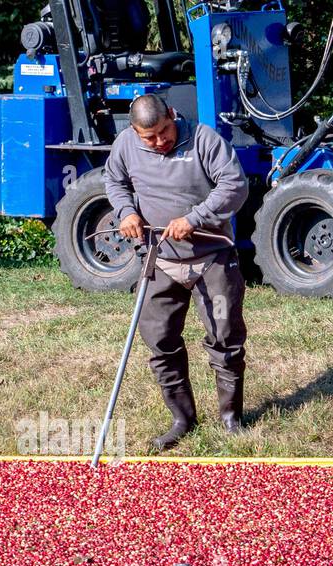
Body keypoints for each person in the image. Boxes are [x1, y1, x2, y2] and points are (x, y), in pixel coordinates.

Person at [102, 93, 250, 450]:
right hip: (159, 259)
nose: (158, 142)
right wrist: (126, 212)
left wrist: (195, 218)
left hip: (211, 256)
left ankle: (231, 417)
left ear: (172, 115)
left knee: (224, 335)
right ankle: (182, 418)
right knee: (160, 340)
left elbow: (235, 185)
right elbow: (115, 182)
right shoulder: (125, 144)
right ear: (134, 132)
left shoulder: (203, 139)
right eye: (148, 137)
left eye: (164, 132)